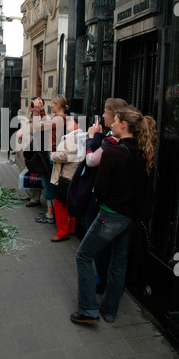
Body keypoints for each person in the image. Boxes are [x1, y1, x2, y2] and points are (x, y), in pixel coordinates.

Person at [70, 105, 157, 324]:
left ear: (123, 125)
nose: (112, 123)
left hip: (110, 215)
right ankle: (109, 310)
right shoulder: (143, 150)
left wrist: (103, 201)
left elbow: (99, 189)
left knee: (83, 255)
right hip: (131, 218)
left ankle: (88, 309)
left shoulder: (113, 152)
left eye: (115, 119)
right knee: (118, 263)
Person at [85, 98, 128, 293]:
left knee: (94, 249)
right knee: (116, 254)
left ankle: (100, 282)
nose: (102, 115)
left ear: (116, 117)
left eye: (106, 111)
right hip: (120, 205)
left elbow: (91, 161)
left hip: (107, 204)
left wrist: (91, 138)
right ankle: (105, 284)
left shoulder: (113, 141)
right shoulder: (115, 138)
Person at [30, 95, 69, 224]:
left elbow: (37, 126)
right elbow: (44, 123)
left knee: (50, 185)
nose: (50, 105)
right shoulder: (59, 118)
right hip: (52, 152)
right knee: (48, 183)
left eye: (52, 103)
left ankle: (50, 214)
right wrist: (41, 110)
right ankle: (50, 212)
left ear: (58, 105)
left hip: (52, 154)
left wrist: (35, 108)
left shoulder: (59, 119)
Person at [49, 113, 85, 241]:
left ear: (77, 123)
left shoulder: (74, 136)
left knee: (60, 203)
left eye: (70, 121)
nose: (68, 123)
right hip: (72, 174)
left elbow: (66, 156)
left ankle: (62, 232)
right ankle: (70, 229)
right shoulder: (80, 136)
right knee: (69, 203)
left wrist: (53, 155)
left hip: (65, 175)